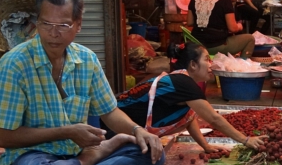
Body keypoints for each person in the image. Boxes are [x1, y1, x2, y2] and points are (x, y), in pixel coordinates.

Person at [0, 0, 165, 165]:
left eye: (63, 25)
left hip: (71, 156)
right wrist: (69, 132)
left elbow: (110, 111)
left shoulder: (87, 59)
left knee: (152, 153)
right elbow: (3, 137)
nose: (53, 33)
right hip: (34, 158)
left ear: (78, 25)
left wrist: (138, 130)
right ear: (37, 23)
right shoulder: (15, 64)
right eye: (45, 24)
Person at [111, 43, 267, 154]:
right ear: (193, 65)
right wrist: (246, 140)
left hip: (123, 130)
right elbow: (214, 119)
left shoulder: (180, 81)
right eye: (207, 59)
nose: (211, 64)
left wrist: (205, 146)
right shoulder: (183, 83)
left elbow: (189, 117)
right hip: (110, 126)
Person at [187, 0, 256, 57]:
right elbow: (232, 28)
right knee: (250, 38)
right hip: (216, 46)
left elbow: (190, 22)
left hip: (196, 43)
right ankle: (242, 67)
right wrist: (239, 26)